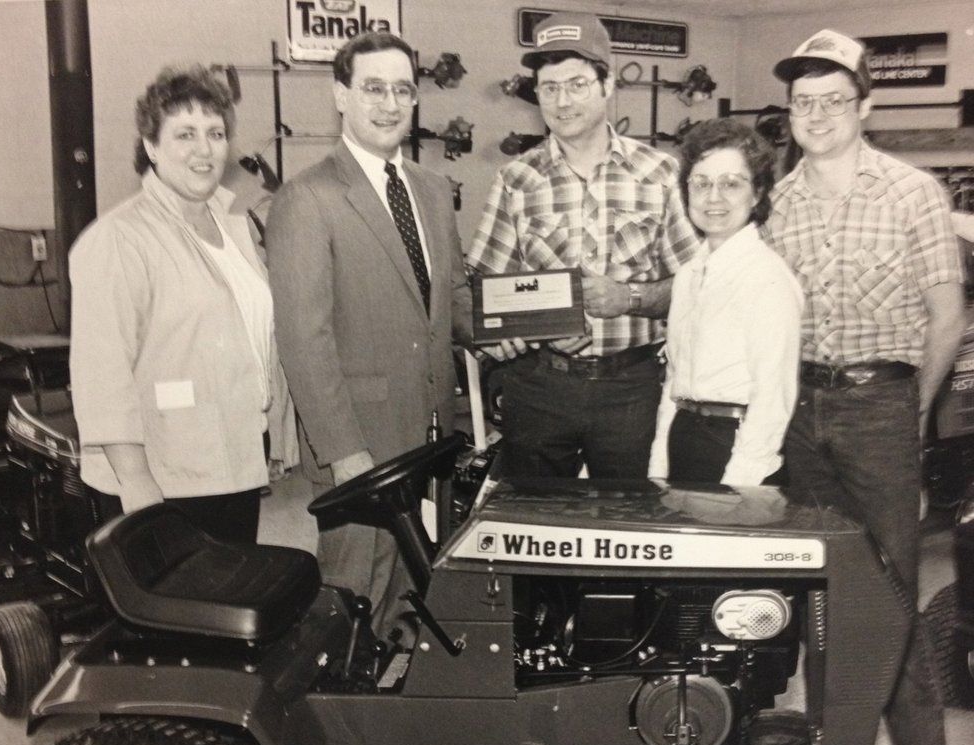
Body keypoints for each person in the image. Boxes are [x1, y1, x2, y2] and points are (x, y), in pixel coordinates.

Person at [763, 30, 965, 745]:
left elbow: (948, 319)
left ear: (865, 106)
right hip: (799, 413)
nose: (816, 115)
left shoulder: (914, 192)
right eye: (802, 102)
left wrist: (906, 418)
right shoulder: (778, 198)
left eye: (832, 100)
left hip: (882, 402)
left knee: (887, 608)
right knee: (818, 607)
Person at [266, 32, 471, 636]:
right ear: (341, 95)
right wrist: (344, 451)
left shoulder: (433, 191)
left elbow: (450, 297)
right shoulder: (307, 198)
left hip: (431, 434)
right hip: (362, 446)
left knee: (419, 593)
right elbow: (304, 340)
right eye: (373, 88)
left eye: (402, 90)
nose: (389, 103)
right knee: (357, 600)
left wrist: (507, 328)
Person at [70, 65, 297, 545]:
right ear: (151, 147)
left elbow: (251, 339)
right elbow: (101, 375)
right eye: (185, 134)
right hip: (161, 477)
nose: (204, 149)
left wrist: (272, 431)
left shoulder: (236, 229)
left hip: (229, 465)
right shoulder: (119, 238)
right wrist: (136, 482)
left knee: (227, 607)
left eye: (216, 133)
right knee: (177, 614)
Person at [466, 11, 698, 479]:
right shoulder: (516, 180)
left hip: (633, 388)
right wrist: (523, 327)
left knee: (628, 527)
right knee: (532, 529)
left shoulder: (661, 173)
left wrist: (628, 297)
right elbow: (484, 287)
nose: (562, 101)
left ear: (607, 85)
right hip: (537, 386)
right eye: (549, 88)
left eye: (576, 84)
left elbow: (697, 287)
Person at [648, 119, 802, 486]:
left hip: (735, 447)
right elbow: (674, 381)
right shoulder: (689, 275)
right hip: (685, 438)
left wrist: (740, 484)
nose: (713, 197)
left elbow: (772, 396)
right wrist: (659, 465)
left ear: (758, 192)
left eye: (731, 183)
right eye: (700, 183)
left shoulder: (767, 278)